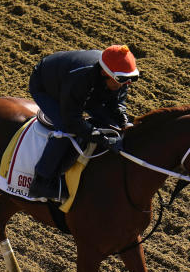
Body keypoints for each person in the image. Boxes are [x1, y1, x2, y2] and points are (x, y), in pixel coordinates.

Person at [26, 45, 139, 201]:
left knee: (112, 124)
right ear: (103, 72)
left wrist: (123, 121)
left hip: (87, 90)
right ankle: (41, 181)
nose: (125, 84)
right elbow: (72, 120)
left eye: (130, 79)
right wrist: (100, 137)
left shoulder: (119, 79)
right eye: (120, 80)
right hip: (46, 87)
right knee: (65, 129)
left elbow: (117, 102)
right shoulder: (80, 78)